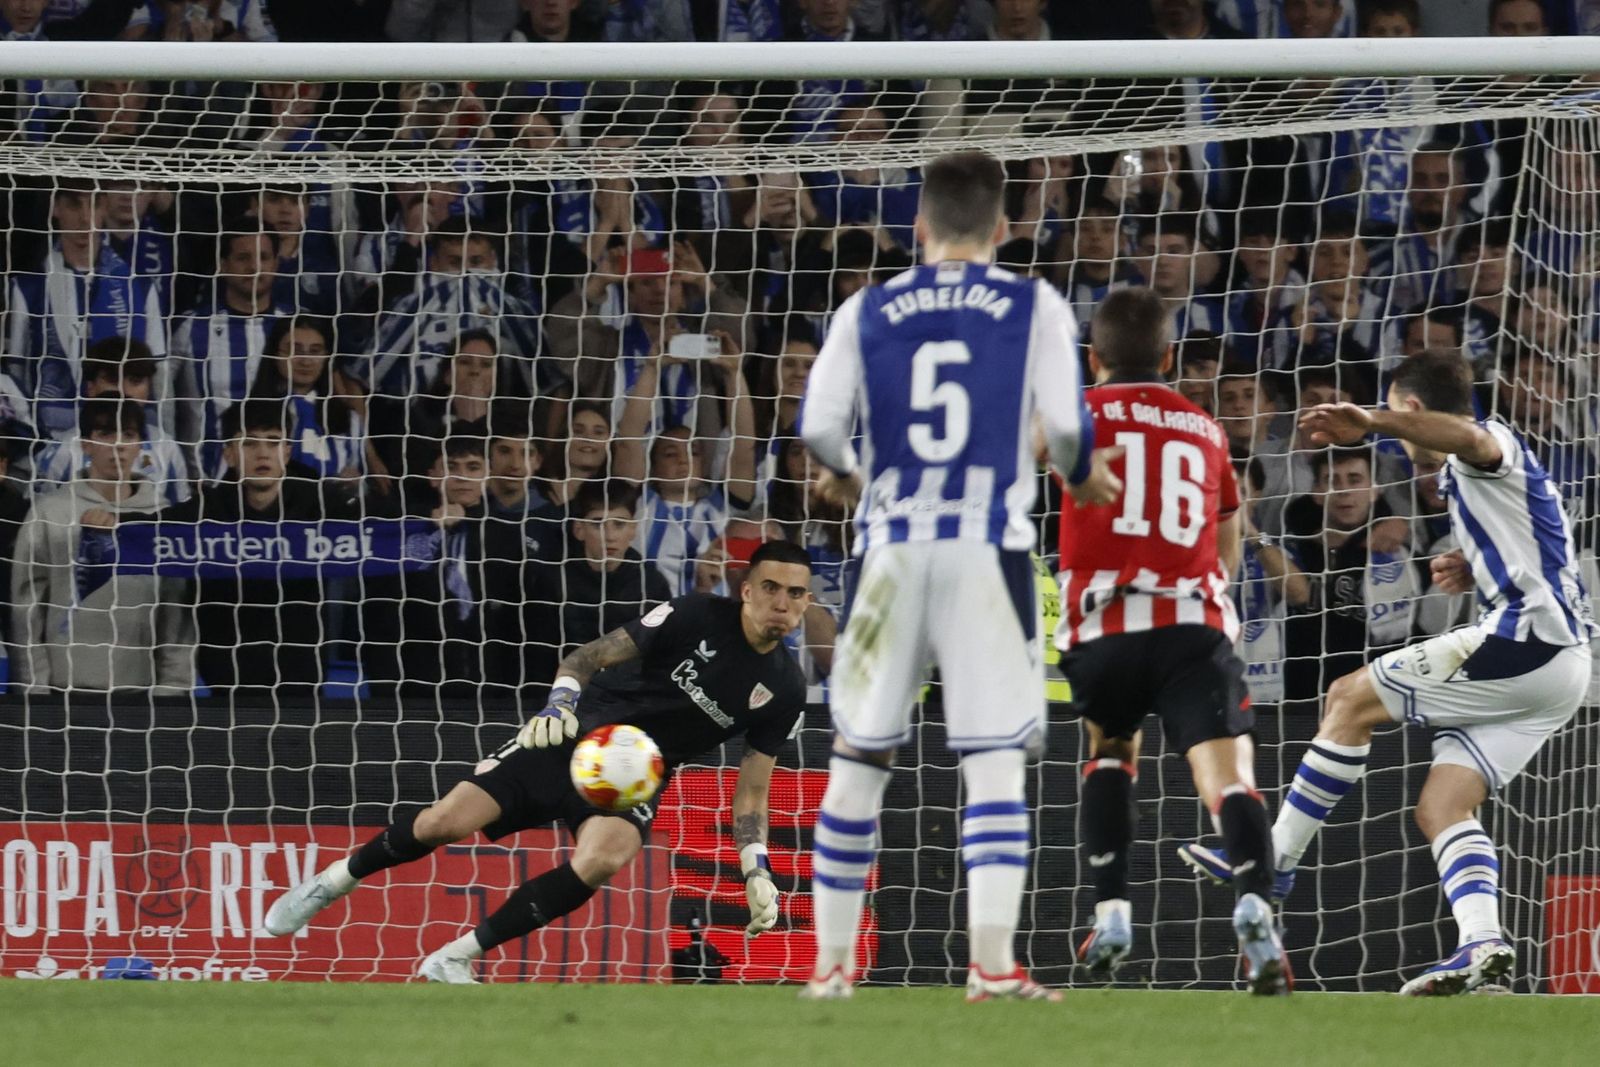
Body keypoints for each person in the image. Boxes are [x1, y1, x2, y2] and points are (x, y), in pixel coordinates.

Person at [798, 150, 1115, 1002]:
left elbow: (820, 426)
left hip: (891, 550)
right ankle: (993, 966)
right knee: (995, 764)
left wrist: (848, 475)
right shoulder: (1032, 301)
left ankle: (831, 970)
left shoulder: (868, 305)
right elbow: (1071, 431)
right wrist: (1079, 474)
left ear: (919, 227)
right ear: (1004, 229)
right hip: (987, 549)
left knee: (858, 758)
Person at [1182, 348, 1596, 995]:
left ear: (1409, 407)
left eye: (1403, 429)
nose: (1403, 453)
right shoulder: (1480, 476)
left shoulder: (1480, 448)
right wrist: (1472, 562)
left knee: (1348, 696)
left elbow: (1467, 435)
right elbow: (1541, 541)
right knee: (1443, 806)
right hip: (1561, 669)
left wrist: (1373, 423)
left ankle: (1273, 861)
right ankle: (1483, 944)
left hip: (1529, 643)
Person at [263, 540, 814, 984]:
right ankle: (334, 881)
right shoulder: (696, 614)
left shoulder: (786, 689)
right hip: (575, 731)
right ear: (745, 591)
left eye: (795, 593)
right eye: (770, 588)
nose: (781, 603)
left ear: (808, 602)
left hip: (634, 773)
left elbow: (752, 794)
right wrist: (560, 701)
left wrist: (756, 866)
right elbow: (587, 656)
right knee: (442, 823)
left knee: (604, 858)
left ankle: (455, 956)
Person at [1052, 288, 1288, 995]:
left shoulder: (1077, 417)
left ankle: (1113, 912)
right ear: (1169, 357)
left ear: (1092, 357)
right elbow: (1226, 535)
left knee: (1111, 754)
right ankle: (1254, 907)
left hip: (1105, 625)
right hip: (1191, 623)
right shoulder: (1207, 430)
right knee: (1228, 779)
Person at [11, 394, 194, 694]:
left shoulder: (162, 517)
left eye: (129, 435)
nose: (118, 445)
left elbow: (175, 612)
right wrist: (34, 687)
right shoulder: (49, 512)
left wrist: (172, 689)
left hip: (140, 696)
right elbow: (26, 607)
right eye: (105, 433)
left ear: (140, 446)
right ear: (85, 444)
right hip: (60, 694)